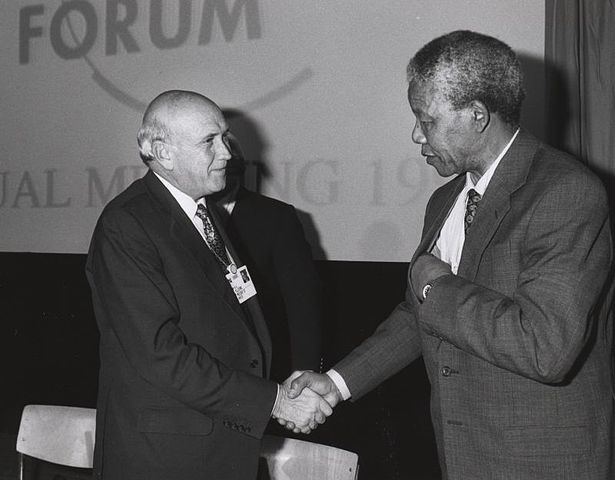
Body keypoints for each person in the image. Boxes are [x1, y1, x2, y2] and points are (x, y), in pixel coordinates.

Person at [288, 30, 614, 479]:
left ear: (477, 115)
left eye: (427, 120)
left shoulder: (566, 192)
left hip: (542, 461)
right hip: (464, 456)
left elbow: (545, 348)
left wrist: (435, 283)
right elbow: (421, 312)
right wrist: (338, 384)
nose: (415, 134)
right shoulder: (445, 200)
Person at [85, 90, 331, 480]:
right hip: (166, 457)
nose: (228, 154)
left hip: (216, 443)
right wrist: (275, 402)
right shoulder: (127, 225)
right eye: (208, 142)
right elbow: (160, 354)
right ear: (163, 152)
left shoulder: (202, 212)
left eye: (224, 137)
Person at [214, 132, 324, 383]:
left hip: (263, 371)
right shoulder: (182, 219)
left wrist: (304, 373)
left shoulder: (276, 217)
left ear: (240, 167)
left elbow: (303, 302)